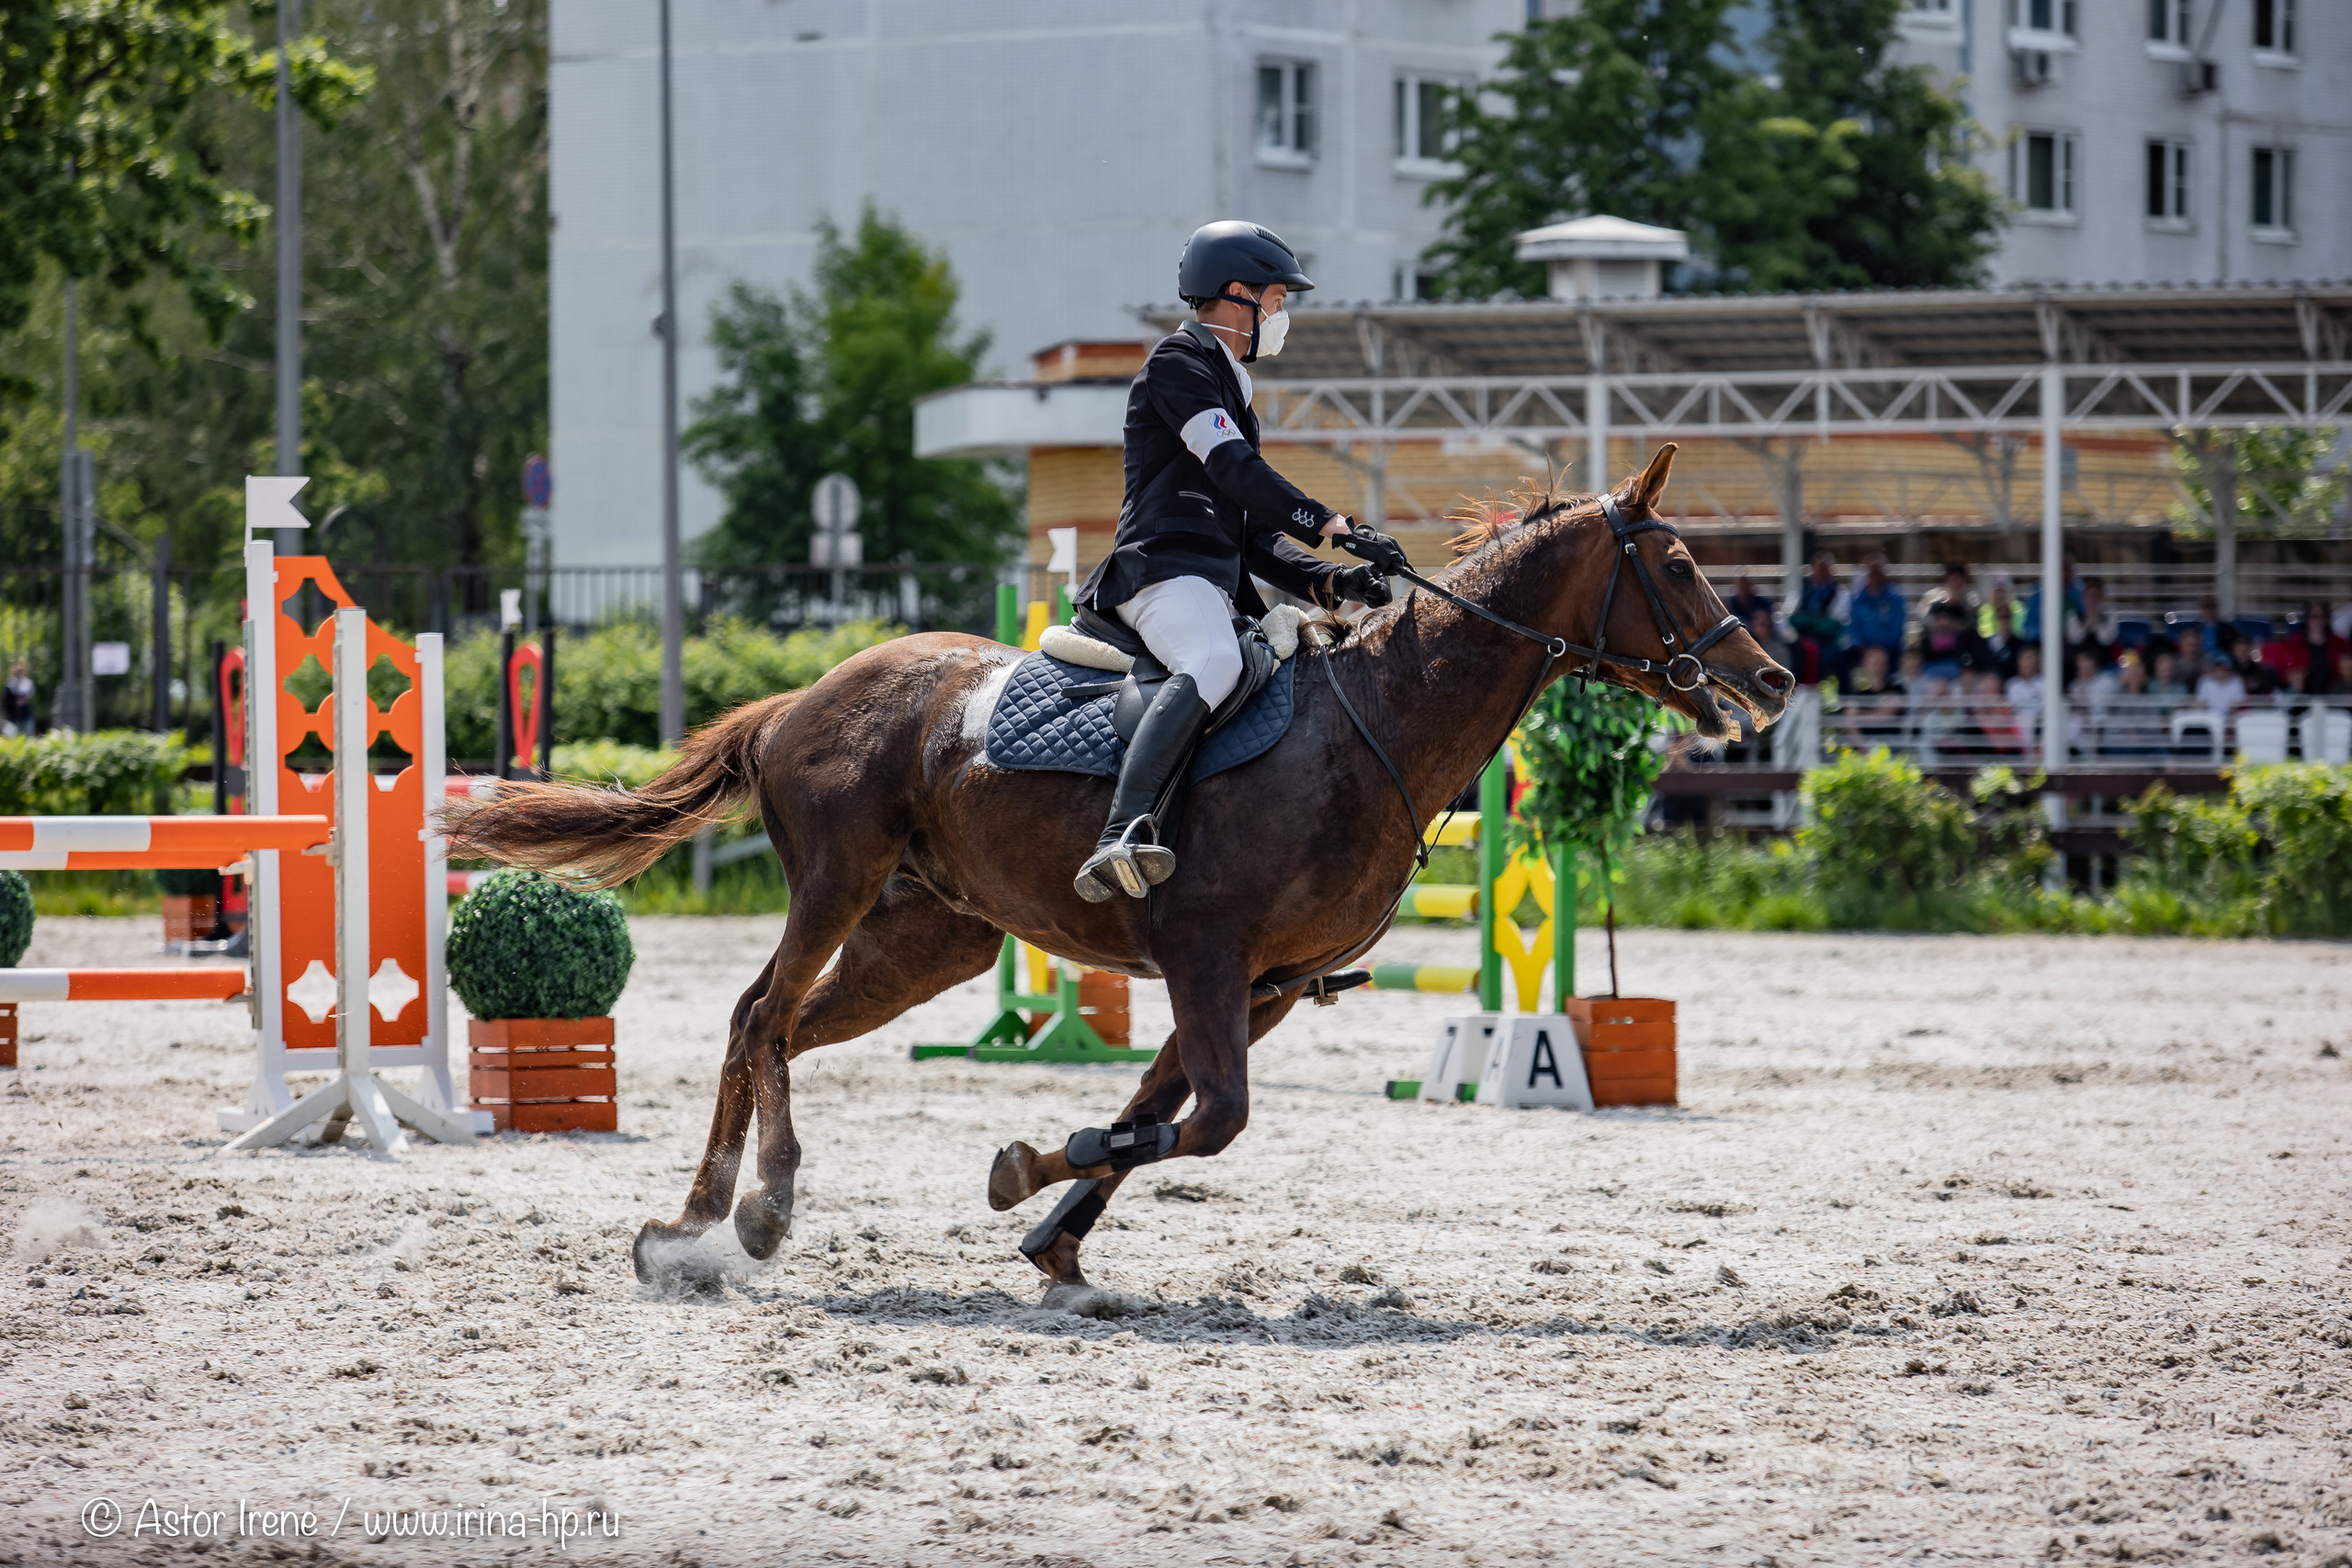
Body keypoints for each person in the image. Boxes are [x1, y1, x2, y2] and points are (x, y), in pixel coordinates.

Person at [1069, 220, 1396, 902]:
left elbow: (1250, 533)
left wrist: (1334, 578)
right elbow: (1237, 472)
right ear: (1238, 294)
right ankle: (1121, 832)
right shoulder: (1178, 364)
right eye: (1277, 299)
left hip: (1211, 581)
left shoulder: (1233, 386)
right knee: (1214, 661)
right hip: (1159, 570)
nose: (1281, 315)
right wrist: (1331, 523)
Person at [1788, 553, 1848, 684]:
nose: (1821, 573)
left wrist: (1807, 620)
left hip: (1828, 645)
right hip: (1802, 643)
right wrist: (1817, 620)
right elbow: (1792, 619)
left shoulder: (1840, 593)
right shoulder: (1802, 592)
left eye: (1824, 569)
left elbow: (1833, 625)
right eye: (1818, 568)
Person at [1846, 556, 1907, 666]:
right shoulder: (1859, 600)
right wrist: (1864, 648)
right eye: (1872, 573)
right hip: (1864, 649)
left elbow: (1897, 627)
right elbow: (1854, 627)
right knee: (1842, 656)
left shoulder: (1895, 598)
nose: (1875, 577)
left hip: (1889, 649)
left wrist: (1881, 648)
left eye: (1878, 573)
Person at [1, 662, 33, 738]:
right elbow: (5, 702)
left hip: (26, 714)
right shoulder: (10, 686)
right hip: (13, 715)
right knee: (14, 736)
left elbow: (30, 697)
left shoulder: (28, 683)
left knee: (28, 736)